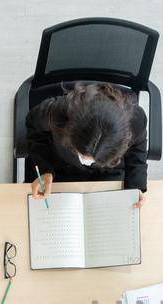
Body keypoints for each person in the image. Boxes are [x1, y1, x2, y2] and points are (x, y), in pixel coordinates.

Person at [24, 82, 149, 210]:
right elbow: (33, 126)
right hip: (62, 169)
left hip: (109, 172)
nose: (87, 162)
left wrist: (136, 187)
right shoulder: (58, 112)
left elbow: (137, 150)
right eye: (83, 155)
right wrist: (45, 169)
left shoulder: (135, 121)